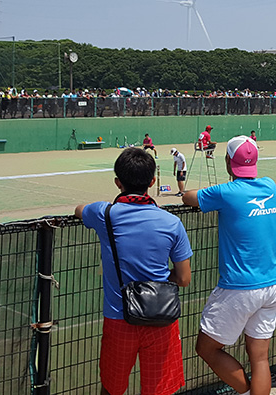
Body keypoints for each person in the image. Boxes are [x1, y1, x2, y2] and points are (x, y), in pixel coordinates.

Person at [76, 148, 193, 395]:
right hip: (161, 319)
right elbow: (183, 278)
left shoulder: (103, 214)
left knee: (112, 387)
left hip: (119, 319)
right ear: (152, 182)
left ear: (118, 182)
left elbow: (80, 210)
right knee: (159, 390)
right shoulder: (171, 222)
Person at [182, 136, 276, 395]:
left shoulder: (226, 192)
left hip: (240, 287)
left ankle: (246, 391)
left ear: (228, 162)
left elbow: (188, 198)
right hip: (272, 283)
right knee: (259, 358)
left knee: (206, 348)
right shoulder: (269, 186)